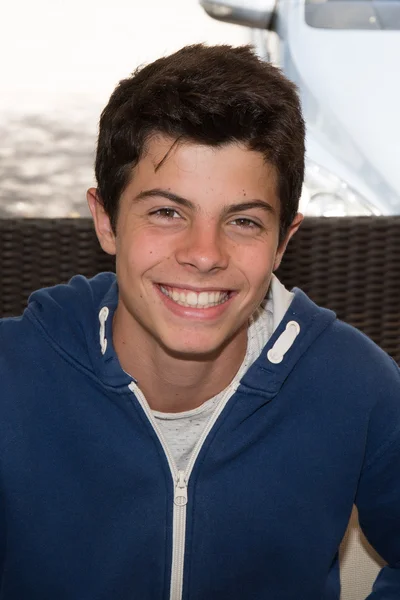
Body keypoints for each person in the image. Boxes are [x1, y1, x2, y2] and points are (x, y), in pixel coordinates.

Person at [0, 44, 399, 600]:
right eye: (167, 212)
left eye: (242, 221)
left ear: (284, 240)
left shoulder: (358, 386)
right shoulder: (13, 378)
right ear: (107, 221)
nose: (204, 253)